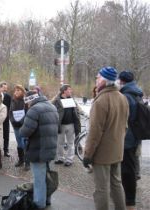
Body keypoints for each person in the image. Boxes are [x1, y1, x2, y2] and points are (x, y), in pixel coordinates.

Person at [83, 67, 129, 210]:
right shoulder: (122, 98)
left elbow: (94, 133)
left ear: (103, 80)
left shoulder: (101, 100)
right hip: (117, 150)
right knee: (116, 184)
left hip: (102, 154)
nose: (96, 80)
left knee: (101, 189)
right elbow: (125, 127)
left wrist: (88, 154)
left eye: (97, 77)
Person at [20, 90, 59, 209]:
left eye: (26, 102)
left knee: (39, 180)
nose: (26, 105)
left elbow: (25, 131)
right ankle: (47, 200)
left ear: (29, 100)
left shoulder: (34, 110)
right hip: (50, 147)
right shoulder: (52, 107)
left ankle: (39, 204)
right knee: (47, 177)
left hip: (38, 149)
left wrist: (22, 129)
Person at [118, 70, 143, 210]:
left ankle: (129, 202)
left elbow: (124, 119)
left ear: (122, 81)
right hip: (135, 136)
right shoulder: (137, 92)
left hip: (127, 138)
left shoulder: (126, 96)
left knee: (128, 171)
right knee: (131, 168)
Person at [52, 84, 81, 166]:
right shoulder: (56, 100)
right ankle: (60, 158)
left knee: (70, 143)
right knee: (59, 143)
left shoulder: (72, 99)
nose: (70, 91)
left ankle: (69, 159)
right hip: (60, 125)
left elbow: (78, 109)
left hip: (71, 125)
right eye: (69, 89)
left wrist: (84, 114)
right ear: (64, 91)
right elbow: (51, 109)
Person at [9, 84, 30, 170]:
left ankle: (27, 162)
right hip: (15, 125)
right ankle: (21, 160)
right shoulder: (13, 100)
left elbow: (28, 112)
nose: (16, 92)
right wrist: (13, 121)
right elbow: (10, 112)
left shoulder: (26, 101)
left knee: (24, 143)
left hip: (24, 125)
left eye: (18, 90)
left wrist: (21, 121)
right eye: (15, 90)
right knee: (19, 143)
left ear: (22, 91)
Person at [0, 81, 11, 157]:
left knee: (6, 135)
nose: (5, 90)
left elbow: (9, 107)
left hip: (5, 119)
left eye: (6, 88)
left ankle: (6, 150)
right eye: (4, 88)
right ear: (0, 88)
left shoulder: (8, 96)